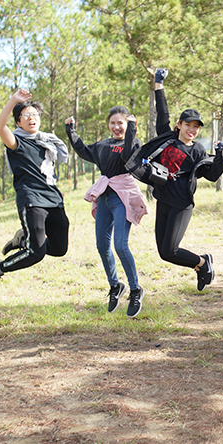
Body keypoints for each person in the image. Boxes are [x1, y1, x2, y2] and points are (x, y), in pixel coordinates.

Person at [128, 68, 223, 291]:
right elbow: (162, 111)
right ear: (179, 125)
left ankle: (203, 262)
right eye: (188, 125)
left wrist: (220, 157)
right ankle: (200, 265)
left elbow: (211, 176)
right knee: (164, 253)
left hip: (182, 204)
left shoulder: (199, 151)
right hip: (163, 199)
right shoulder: (167, 137)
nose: (191, 129)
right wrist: (158, 83)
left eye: (196, 127)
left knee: (172, 249)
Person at [0, 89, 70, 289]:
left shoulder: (46, 142)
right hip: (32, 200)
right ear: (18, 122)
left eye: (35, 115)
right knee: (35, 253)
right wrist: (14, 100)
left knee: (59, 248)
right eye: (26, 115)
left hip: (54, 199)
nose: (32, 118)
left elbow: (48, 171)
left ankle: (23, 239)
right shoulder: (16, 143)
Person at [65, 107, 147, 317]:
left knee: (120, 245)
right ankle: (115, 286)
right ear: (108, 125)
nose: (116, 127)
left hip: (122, 196)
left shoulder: (133, 142)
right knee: (102, 245)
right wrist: (70, 130)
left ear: (128, 124)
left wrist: (132, 132)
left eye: (121, 123)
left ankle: (136, 289)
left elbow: (129, 158)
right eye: (113, 123)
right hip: (104, 197)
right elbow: (83, 150)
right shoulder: (103, 145)